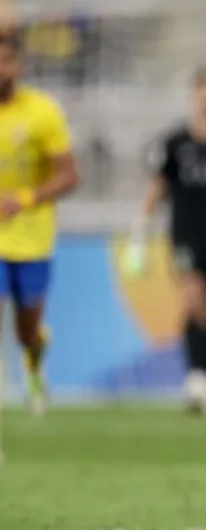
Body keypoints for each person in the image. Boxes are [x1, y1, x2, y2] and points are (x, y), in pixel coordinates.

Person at [128, 68, 206, 417]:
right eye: (205, 92)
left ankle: (203, 381)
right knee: (193, 300)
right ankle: (197, 381)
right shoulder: (176, 144)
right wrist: (140, 231)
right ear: (195, 96)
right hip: (185, 236)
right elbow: (157, 191)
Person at [0, 33, 79, 416]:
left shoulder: (41, 112)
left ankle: (35, 363)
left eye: (6, 60)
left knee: (26, 328)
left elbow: (69, 176)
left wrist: (24, 199)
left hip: (32, 236)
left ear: (18, 66)